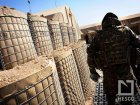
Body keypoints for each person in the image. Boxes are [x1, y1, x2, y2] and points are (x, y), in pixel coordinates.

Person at [87, 12, 140, 105]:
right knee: (127, 101)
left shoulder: (99, 36)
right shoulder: (126, 30)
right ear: (116, 20)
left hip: (108, 78)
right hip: (125, 75)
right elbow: (138, 44)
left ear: (103, 23)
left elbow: (90, 53)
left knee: (111, 101)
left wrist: (92, 71)